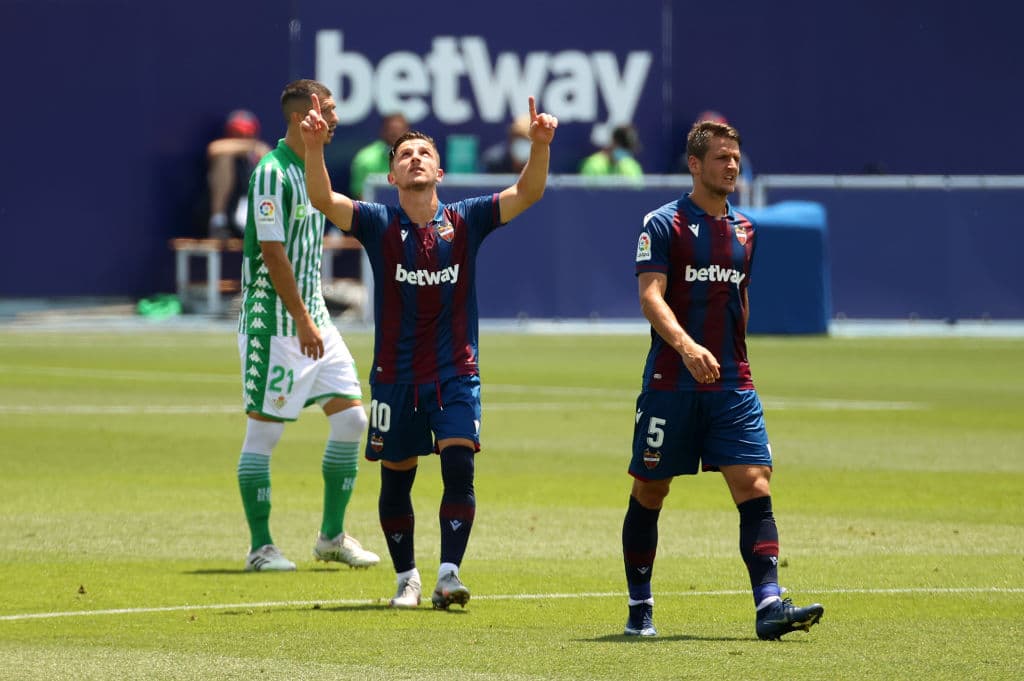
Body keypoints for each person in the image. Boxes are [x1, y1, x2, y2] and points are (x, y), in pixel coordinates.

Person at [301, 95, 558, 609]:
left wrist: (540, 146)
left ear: (439, 170)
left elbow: (528, 191)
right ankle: (407, 578)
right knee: (397, 476)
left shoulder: (467, 220)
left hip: (456, 371)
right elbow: (324, 199)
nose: (414, 158)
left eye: (422, 153)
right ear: (392, 176)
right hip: (394, 375)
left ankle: (447, 573)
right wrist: (312, 147)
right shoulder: (377, 223)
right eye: (404, 155)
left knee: (459, 464)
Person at [621, 119, 824, 639]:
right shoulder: (662, 224)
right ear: (694, 165)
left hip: (732, 383)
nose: (731, 165)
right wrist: (687, 347)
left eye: (735, 157)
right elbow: (650, 296)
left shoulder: (745, 230)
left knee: (755, 482)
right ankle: (640, 607)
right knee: (651, 490)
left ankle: (769, 605)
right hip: (672, 380)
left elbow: (740, 298)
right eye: (721, 158)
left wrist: (737, 356)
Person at [235, 79, 380, 572]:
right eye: (332, 109)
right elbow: (272, 254)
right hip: (273, 324)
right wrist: (300, 319)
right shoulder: (271, 174)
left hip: (313, 317)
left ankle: (331, 537)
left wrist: (312, 317)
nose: (338, 118)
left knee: (351, 420)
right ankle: (261, 547)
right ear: (307, 115)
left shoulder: (310, 170)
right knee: (265, 435)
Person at [207, 110, 271, 239]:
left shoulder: (260, 154)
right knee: (224, 158)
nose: (242, 138)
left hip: (253, 212)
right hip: (228, 214)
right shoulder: (224, 151)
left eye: (246, 134)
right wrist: (251, 146)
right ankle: (217, 222)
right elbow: (214, 149)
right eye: (236, 133)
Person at [349, 112, 410, 200]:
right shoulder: (365, 159)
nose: (395, 135)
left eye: (399, 130)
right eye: (391, 130)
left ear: (407, 132)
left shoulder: (417, 159)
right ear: (383, 131)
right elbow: (361, 198)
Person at [579, 124, 643, 177]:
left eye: (628, 148)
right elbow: (587, 191)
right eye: (623, 146)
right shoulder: (593, 165)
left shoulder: (631, 166)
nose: (626, 151)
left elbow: (636, 190)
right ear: (614, 142)